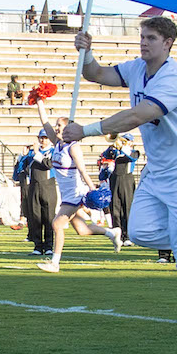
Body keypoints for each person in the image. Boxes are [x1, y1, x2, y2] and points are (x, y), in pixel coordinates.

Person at [60, 15, 177, 326]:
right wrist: (86, 51)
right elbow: (95, 73)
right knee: (140, 231)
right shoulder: (137, 68)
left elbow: (140, 114)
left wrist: (88, 129)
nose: (144, 42)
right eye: (143, 37)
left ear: (168, 43)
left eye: (151, 38)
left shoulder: (174, 78)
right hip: (158, 169)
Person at [37, 116, 121, 272]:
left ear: (68, 129)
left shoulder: (73, 147)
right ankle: (112, 232)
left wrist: (92, 188)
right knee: (82, 230)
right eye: (56, 125)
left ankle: (55, 263)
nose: (56, 128)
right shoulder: (57, 144)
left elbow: (82, 170)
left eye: (60, 125)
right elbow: (44, 123)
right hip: (66, 194)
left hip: (75, 193)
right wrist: (39, 100)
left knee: (56, 224)